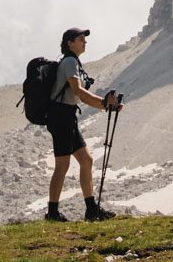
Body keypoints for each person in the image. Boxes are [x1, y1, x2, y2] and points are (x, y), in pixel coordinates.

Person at [43, 26, 122, 221]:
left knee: (86, 160)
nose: (84, 42)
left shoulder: (73, 62)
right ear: (69, 43)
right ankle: (52, 213)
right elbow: (77, 91)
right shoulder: (70, 61)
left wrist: (105, 106)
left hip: (66, 116)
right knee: (62, 164)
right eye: (80, 39)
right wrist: (103, 104)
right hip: (61, 116)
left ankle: (91, 209)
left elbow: (77, 93)